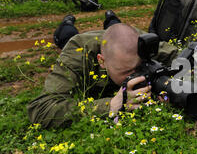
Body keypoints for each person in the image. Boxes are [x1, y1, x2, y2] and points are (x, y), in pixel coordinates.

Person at [27, 11, 178, 129]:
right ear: (101, 61)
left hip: (115, 36)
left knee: (114, 26)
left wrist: (169, 85)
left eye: (138, 68)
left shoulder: (139, 42)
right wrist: (109, 106)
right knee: (66, 34)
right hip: (78, 40)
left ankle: (111, 18)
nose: (134, 77)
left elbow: (180, 56)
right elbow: (40, 109)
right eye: (126, 72)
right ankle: (68, 21)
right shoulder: (78, 52)